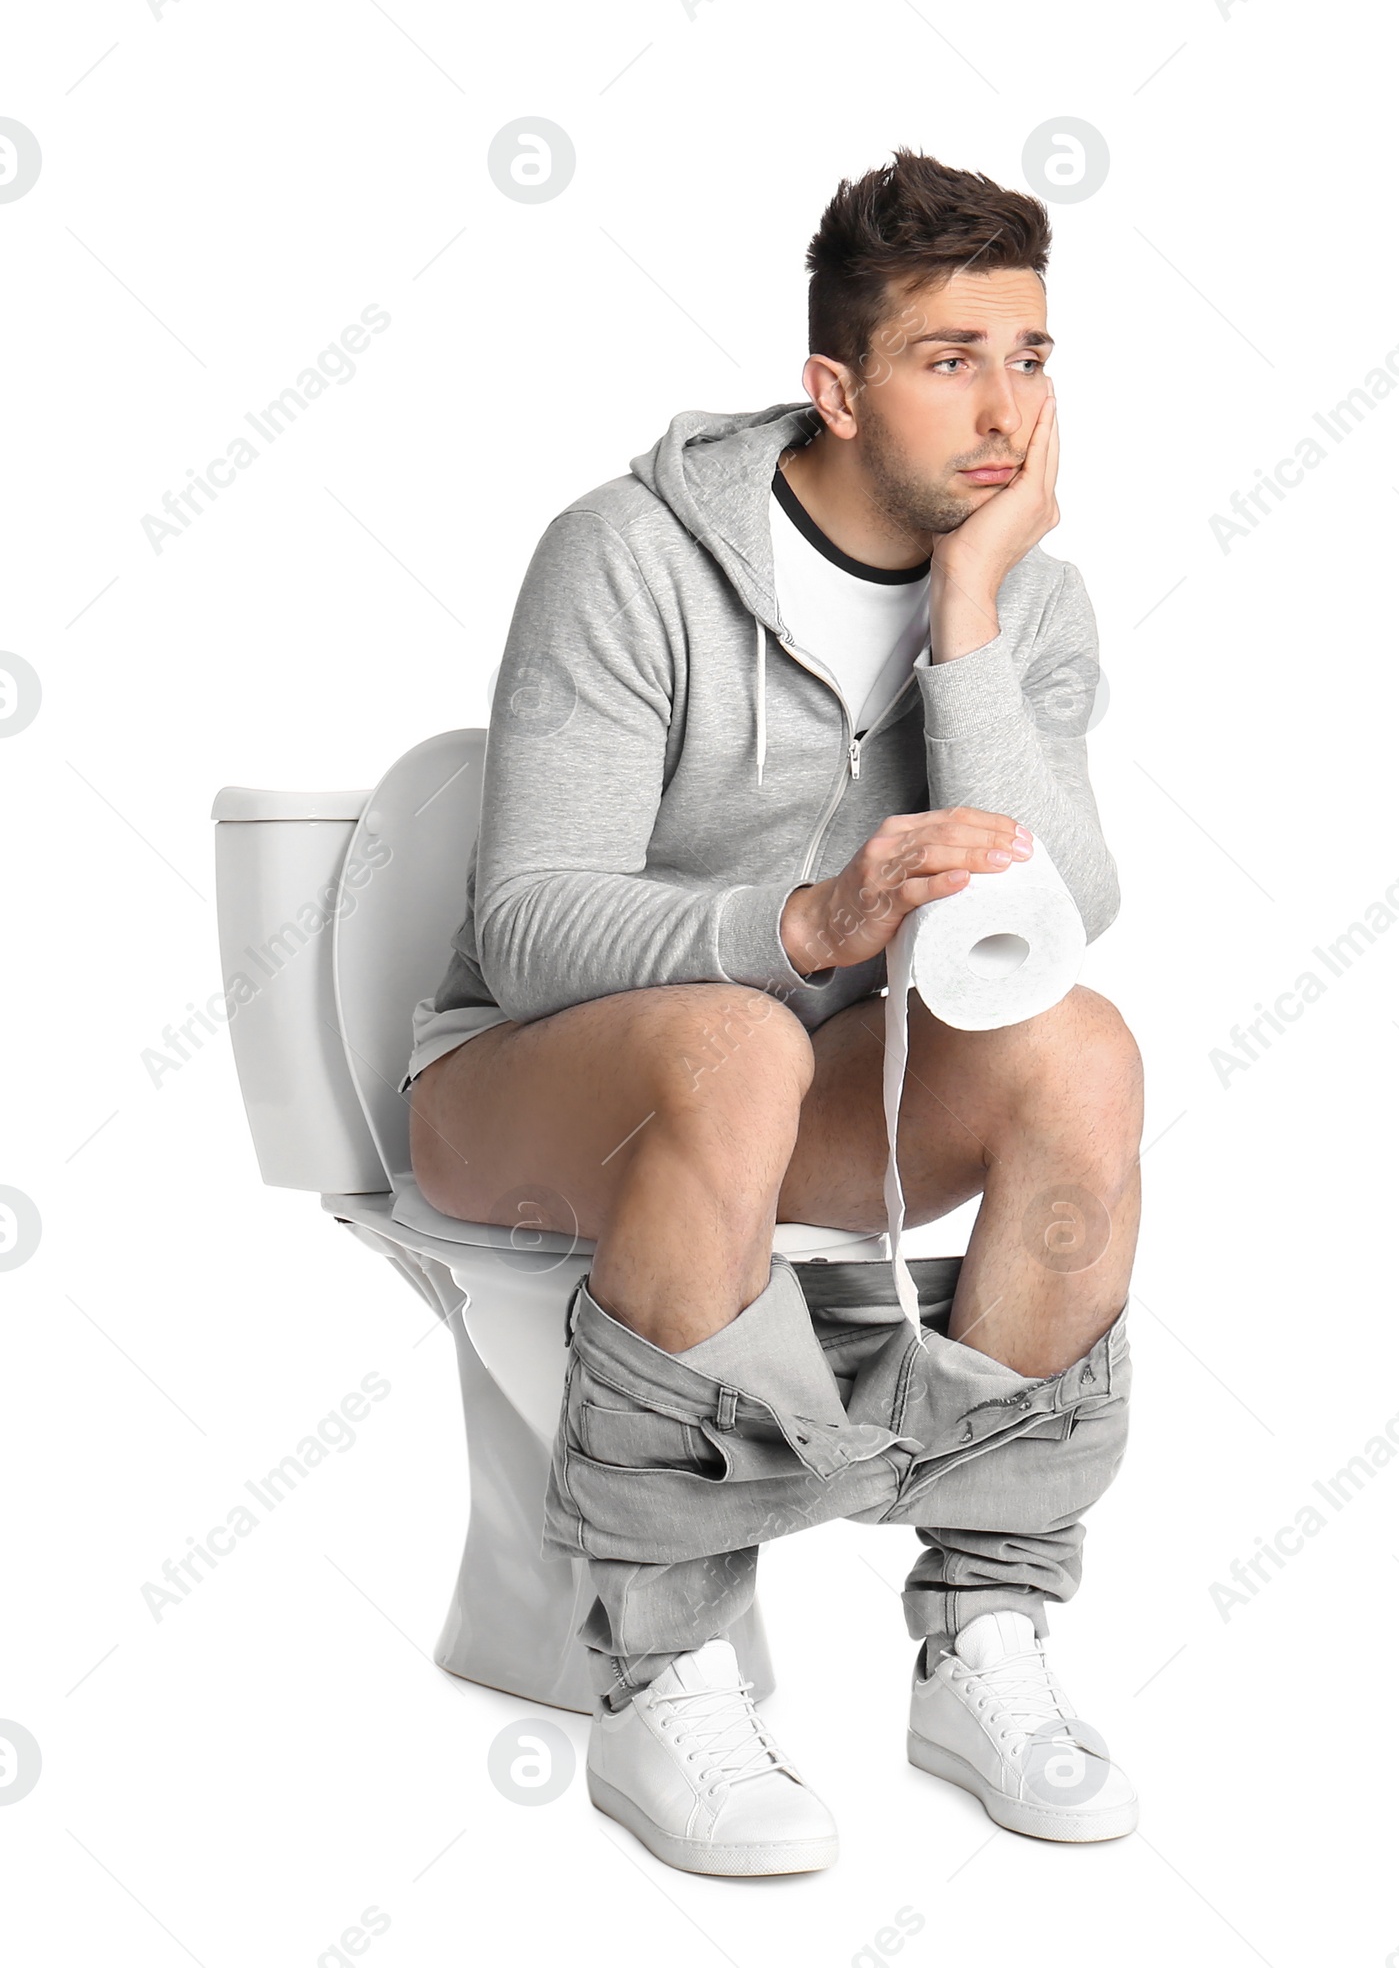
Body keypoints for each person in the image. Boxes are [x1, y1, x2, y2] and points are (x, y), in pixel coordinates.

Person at [405, 148, 1143, 1877]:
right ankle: (658, 1668)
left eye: (1031, 356)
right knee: (731, 1038)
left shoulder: (1029, 594)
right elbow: (522, 924)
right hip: (518, 1082)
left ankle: (985, 1636)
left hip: (802, 1098)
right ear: (837, 384)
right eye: (952, 357)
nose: (1006, 407)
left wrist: (969, 618)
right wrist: (812, 921)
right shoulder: (628, 555)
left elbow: (1065, 904)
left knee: (1082, 1049)